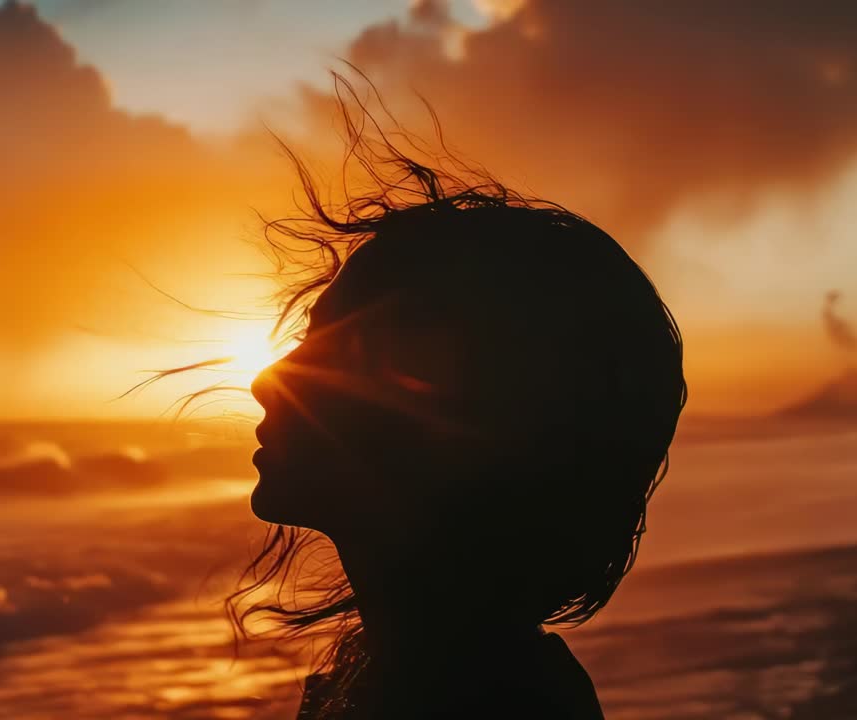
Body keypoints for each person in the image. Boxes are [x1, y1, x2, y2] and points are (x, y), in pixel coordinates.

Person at [235, 92, 686, 719]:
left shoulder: (478, 701)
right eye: (310, 338)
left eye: (348, 354)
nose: (268, 378)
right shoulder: (389, 675)